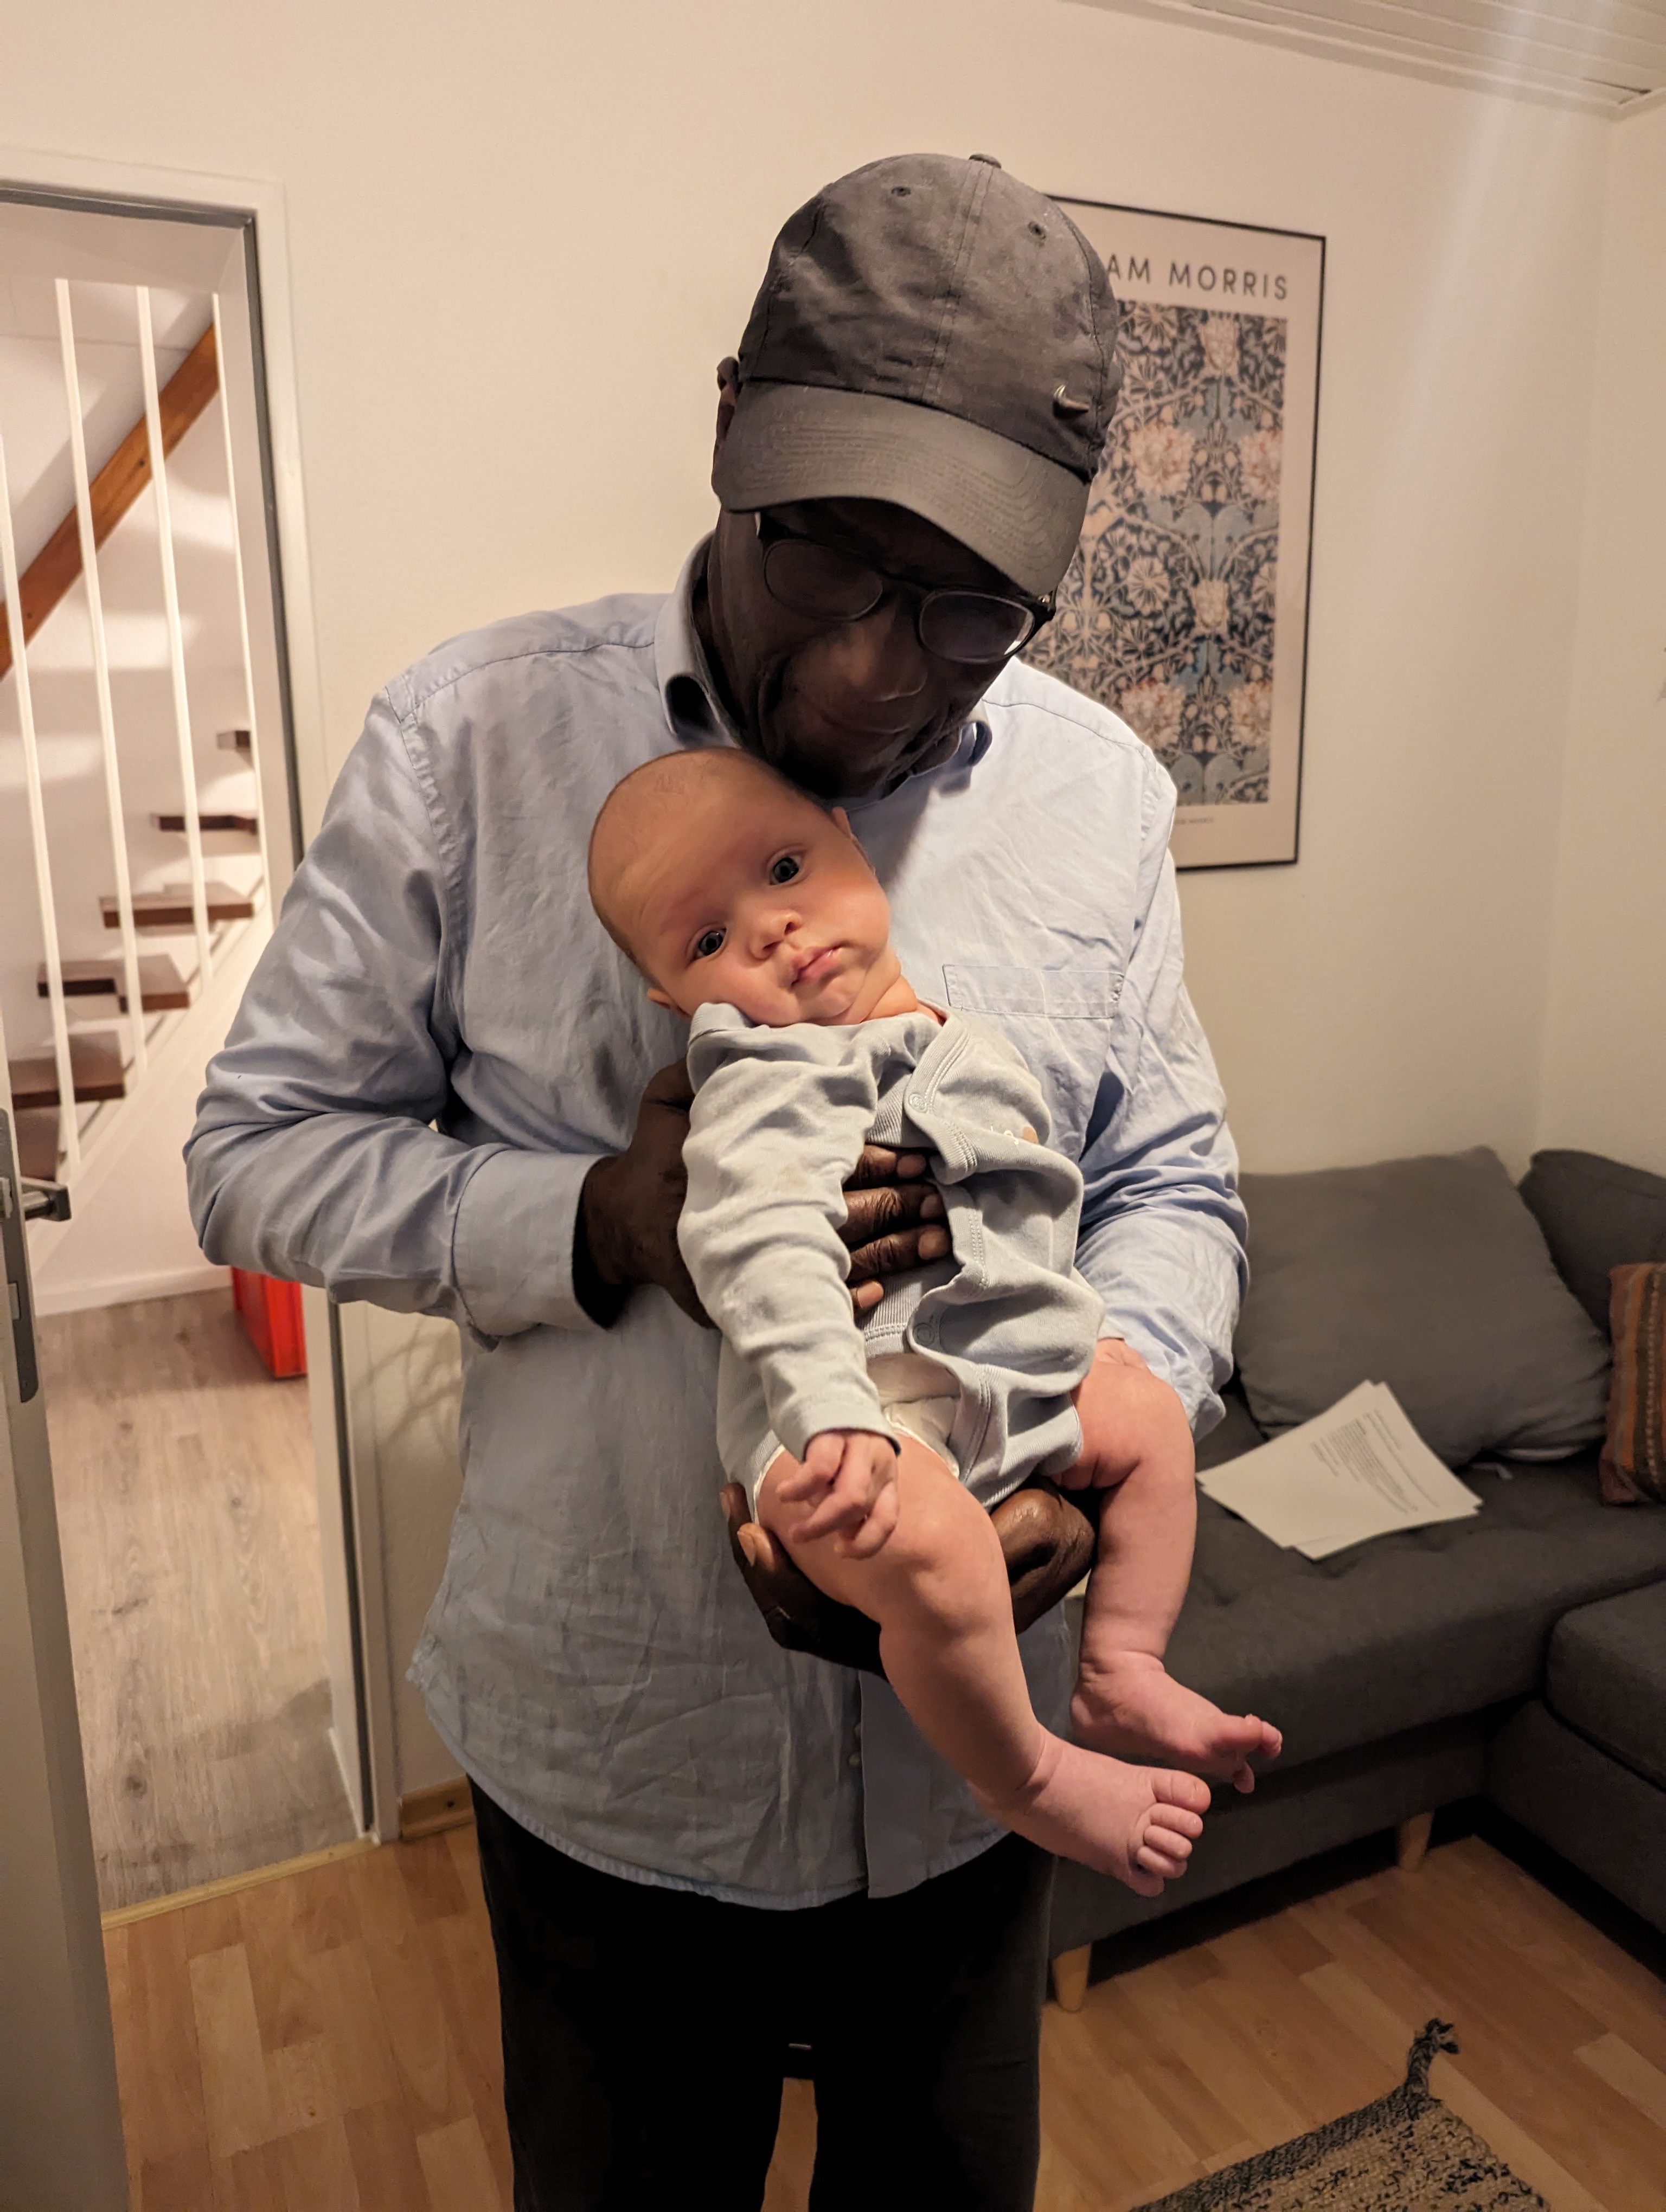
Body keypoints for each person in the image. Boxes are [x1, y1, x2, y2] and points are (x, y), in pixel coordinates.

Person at [187, 151, 1248, 2212]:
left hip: (971, 1799)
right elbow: (251, 1158)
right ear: (729, 432)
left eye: (964, 610)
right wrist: (602, 1222)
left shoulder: (1101, 798)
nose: (870, 675)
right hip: (619, 1770)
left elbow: (1176, 1184)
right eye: (825, 561)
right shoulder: (470, 745)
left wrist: (1087, 1432)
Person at [588, 745, 1278, 1895]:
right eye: (707, 940)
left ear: (854, 842)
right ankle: (1027, 1778)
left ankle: (1122, 1665)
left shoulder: (959, 1035)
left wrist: (1088, 1353)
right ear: (676, 1001)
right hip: (855, 1420)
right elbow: (761, 1245)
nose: (771, 928)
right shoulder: (766, 1071)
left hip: (1007, 1378)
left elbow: (1139, 1189)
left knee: (1154, 1418)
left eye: (786, 868)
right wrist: (829, 1419)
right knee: (932, 1546)